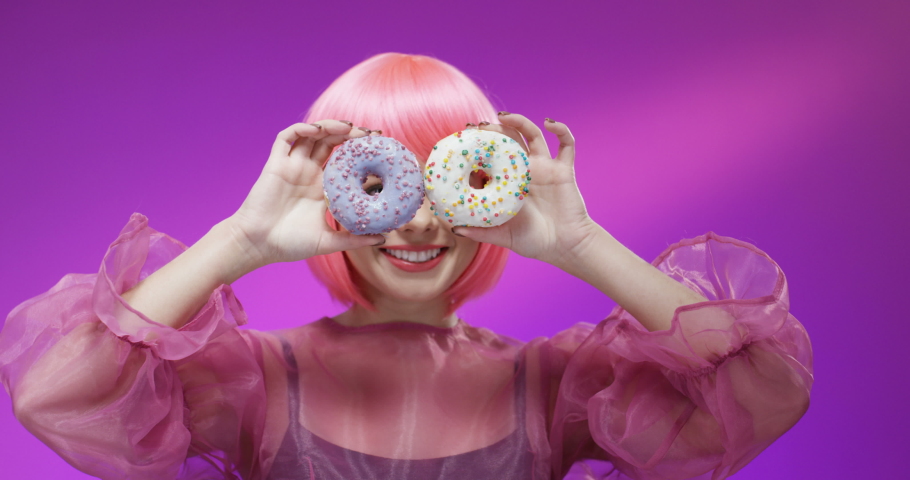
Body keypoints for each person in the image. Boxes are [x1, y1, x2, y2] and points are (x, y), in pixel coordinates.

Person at [0, 53, 814, 480]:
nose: (421, 217)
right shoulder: (251, 376)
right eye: (389, 182)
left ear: (491, 190)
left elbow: (761, 387)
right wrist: (242, 241)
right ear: (337, 188)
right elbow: (57, 389)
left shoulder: (557, 381)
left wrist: (581, 244)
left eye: (450, 183)